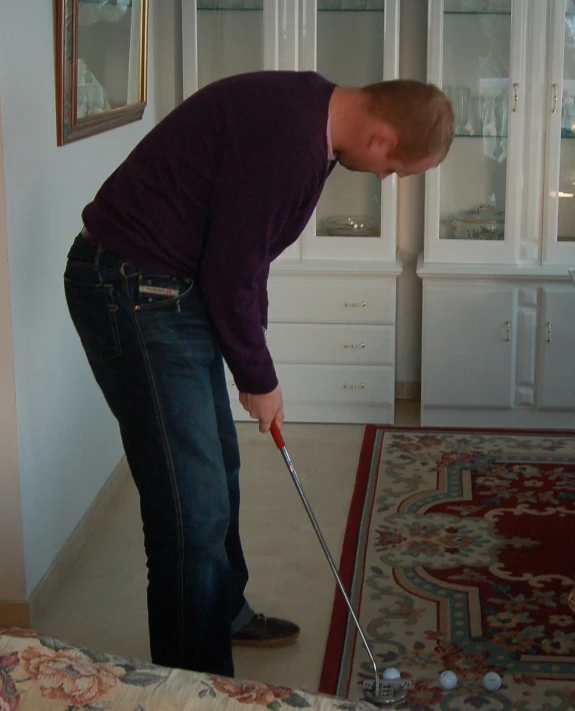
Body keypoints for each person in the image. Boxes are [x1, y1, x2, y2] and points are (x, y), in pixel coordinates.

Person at [63, 70, 454, 677]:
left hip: (168, 285)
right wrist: (259, 377)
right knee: (190, 509)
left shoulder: (313, 117)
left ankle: (225, 612)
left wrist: (255, 362)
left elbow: (246, 251)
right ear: (381, 138)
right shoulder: (293, 143)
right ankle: (196, 686)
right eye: (398, 168)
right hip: (130, 287)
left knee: (220, 465)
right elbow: (231, 272)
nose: (387, 179)